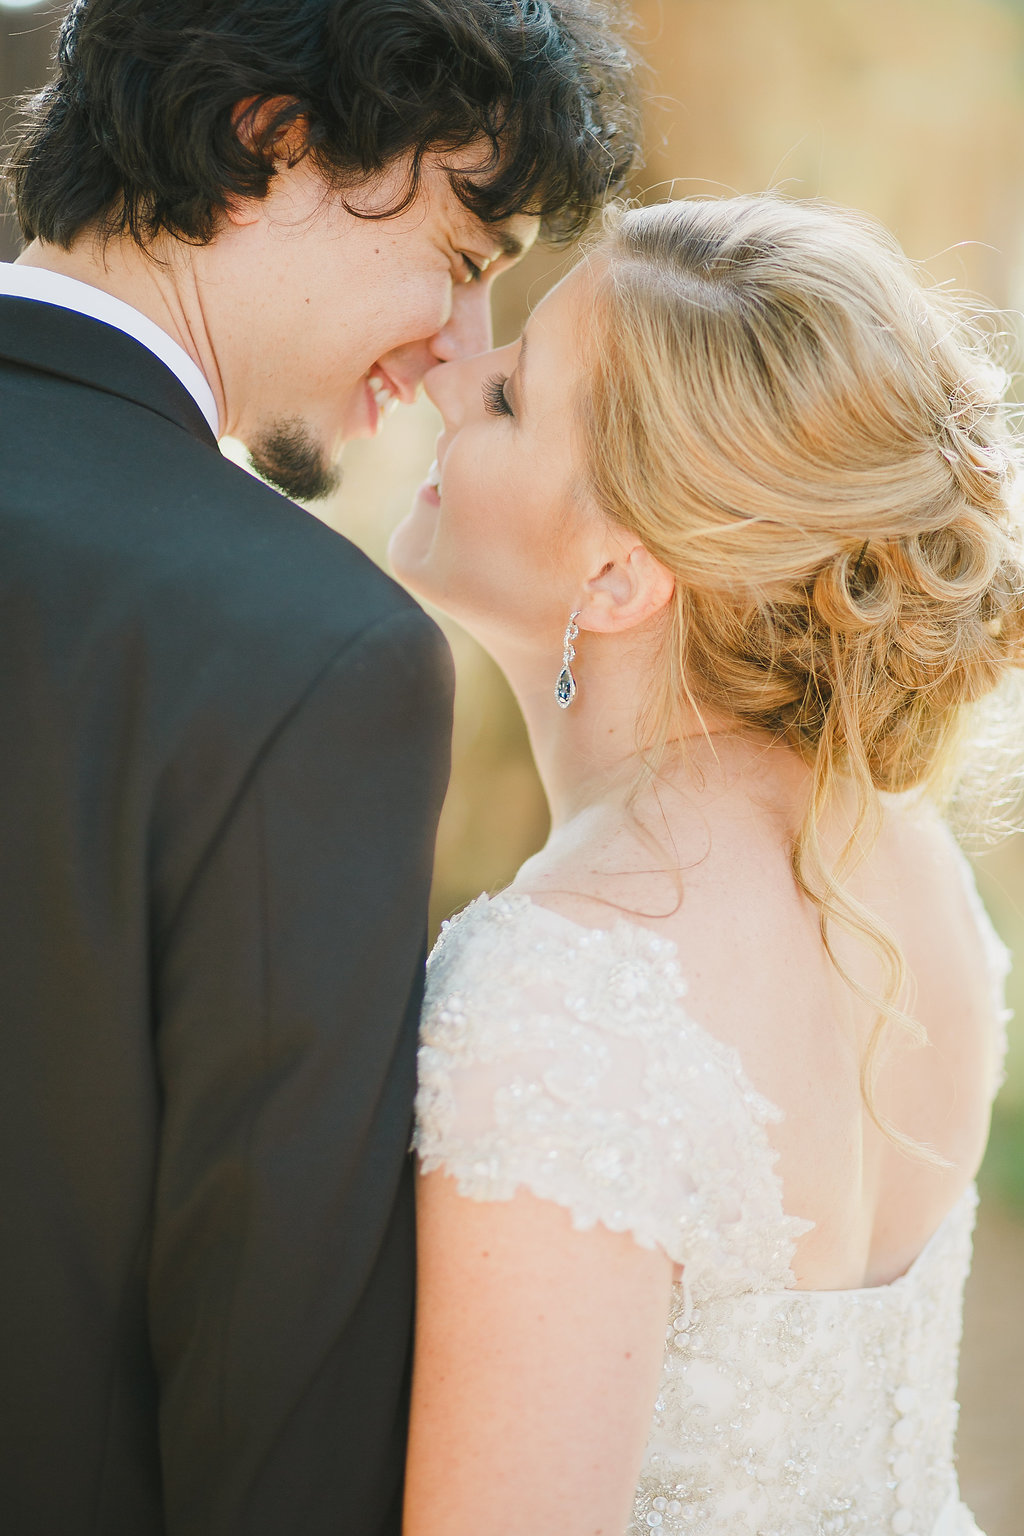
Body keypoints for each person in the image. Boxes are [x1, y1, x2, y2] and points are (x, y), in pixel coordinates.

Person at [0, 2, 639, 1532]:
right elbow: (272, 1391)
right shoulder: (307, 651)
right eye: (466, 261)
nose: (453, 358)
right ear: (271, 143)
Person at [389, 194, 1022, 1536]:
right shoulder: (915, 888)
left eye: (507, 398)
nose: (453, 368)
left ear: (618, 576)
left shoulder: (562, 992)